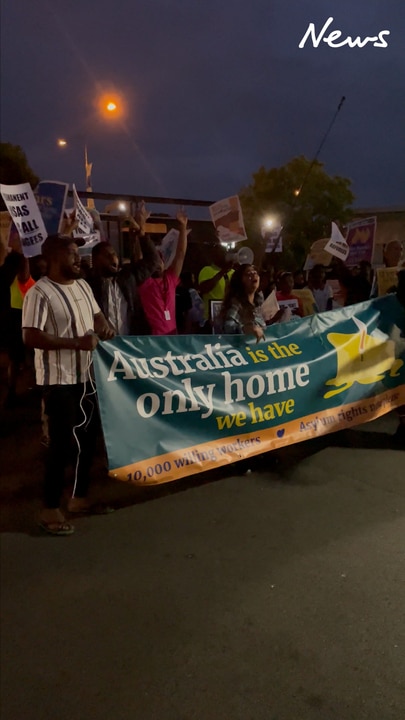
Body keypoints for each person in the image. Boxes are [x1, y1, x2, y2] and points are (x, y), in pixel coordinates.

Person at [22, 233, 114, 536]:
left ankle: (78, 499)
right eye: (72, 253)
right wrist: (76, 343)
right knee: (60, 447)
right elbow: (31, 336)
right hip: (58, 382)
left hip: (87, 379)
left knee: (88, 443)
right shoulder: (40, 293)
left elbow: (98, 318)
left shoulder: (84, 286)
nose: (79, 258)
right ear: (53, 258)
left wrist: (105, 326)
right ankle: (49, 508)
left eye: (78, 252)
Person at [137, 210, 188, 335]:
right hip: (153, 339)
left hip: (172, 336)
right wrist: (141, 226)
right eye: (154, 261)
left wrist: (182, 227)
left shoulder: (170, 278)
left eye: (160, 260)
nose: (157, 264)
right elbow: (138, 255)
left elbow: (180, 254)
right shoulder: (145, 282)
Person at [87, 241, 149, 335]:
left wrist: (142, 237)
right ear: (96, 261)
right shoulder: (89, 285)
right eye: (107, 255)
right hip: (103, 345)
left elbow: (153, 261)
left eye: (114, 254)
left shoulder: (128, 278)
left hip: (128, 343)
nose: (113, 258)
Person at [220, 264, 267, 342]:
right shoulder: (236, 303)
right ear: (239, 281)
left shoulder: (258, 303)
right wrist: (246, 328)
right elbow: (228, 327)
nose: (254, 275)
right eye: (248, 274)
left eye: (255, 273)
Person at [198, 242, 234, 328]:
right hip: (211, 319)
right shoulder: (207, 270)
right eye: (220, 252)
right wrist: (222, 272)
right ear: (214, 256)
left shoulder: (233, 273)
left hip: (229, 318)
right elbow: (204, 289)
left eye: (224, 252)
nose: (223, 255)